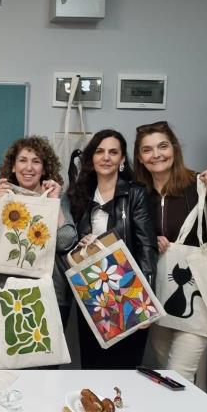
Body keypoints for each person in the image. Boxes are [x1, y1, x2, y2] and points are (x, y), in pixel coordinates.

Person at [134, 121, 207, 382]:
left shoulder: (199, 186)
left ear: (174, 149)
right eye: (147, 150)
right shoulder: (138, 193)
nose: (156, 155)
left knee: (179, 375)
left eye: (162, 146)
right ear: (140, 157)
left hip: (198, 295)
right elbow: (130, 237)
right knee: (171, 376)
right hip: (155, 296)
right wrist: (150, 239)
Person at [67, 129, 157, 369]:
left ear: (122, 159)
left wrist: (146, 302)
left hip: (129, 292)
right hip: (92, 293)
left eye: (113, 152)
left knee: (125, 369)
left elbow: (146, 246)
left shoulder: (135, 193)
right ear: (92, 158)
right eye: (100, 151)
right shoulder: (80, 194)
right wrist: (80, 243)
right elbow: (67, 240)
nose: (106, 157)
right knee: (92, 366)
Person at [0, 136, 77, 324]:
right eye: (23, 160)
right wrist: (0, 204)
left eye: (36, 161)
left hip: (50, 295)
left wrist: (54, 202)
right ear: (13, 166)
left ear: (44, 168)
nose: (29, 167)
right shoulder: (4, 198)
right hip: (6, 293)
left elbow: (65, 243)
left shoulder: (56, 198)